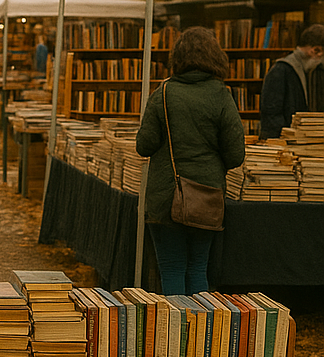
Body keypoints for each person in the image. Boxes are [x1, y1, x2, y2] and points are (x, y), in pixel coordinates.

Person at [135, 26, 245, 295]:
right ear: (215, 56)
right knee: (198, 268)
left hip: (165, 197)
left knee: (171, 268)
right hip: (206, 196)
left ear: (177, 57)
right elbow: (235, 155)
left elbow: (144, 145)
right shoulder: (221, 94)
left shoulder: (163, 93)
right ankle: (202, 334)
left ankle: (175, 334)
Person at [259, 24, 324, 138]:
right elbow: (271, 114)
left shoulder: (313, 70)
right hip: (285, 143)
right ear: (315, 50)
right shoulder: (281, 70)